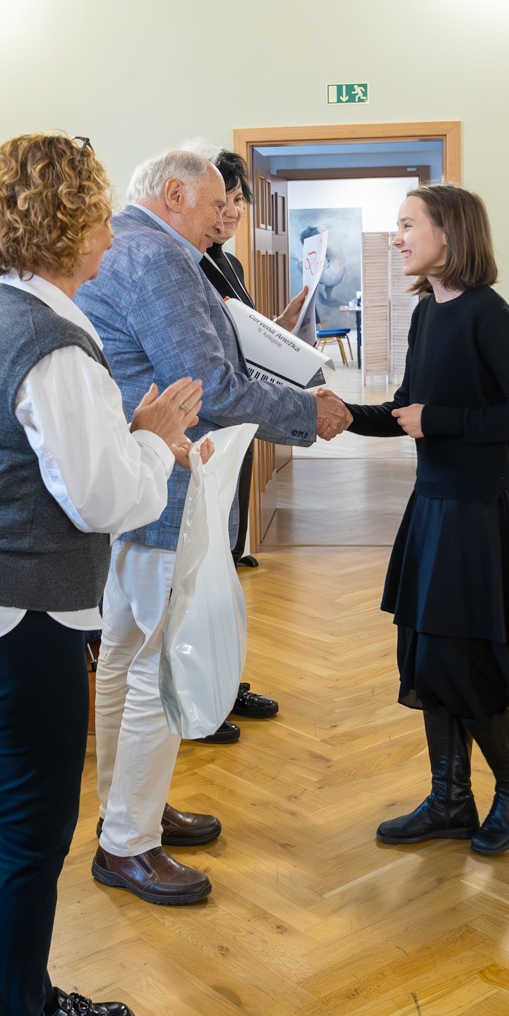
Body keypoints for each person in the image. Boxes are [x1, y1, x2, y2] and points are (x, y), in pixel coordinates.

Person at [0, 132, 208, 1016]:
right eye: (99, 216)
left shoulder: (10, 315)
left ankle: (23, 1004)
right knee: (34, 835)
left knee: (9, 824)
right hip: (10, 619)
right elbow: (103, 498)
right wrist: (156, 438)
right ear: (63, 222)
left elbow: (68, 463)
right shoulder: (53, 345)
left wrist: (133, 432)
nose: (111, 235)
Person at [75, 146, 352, 905]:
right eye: (212, 205)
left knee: (123, 656)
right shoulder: (160, 259)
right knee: (155, 668)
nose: (221, 219)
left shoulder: (126, 247)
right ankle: (128, 844)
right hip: (167, 493)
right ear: (173, 195)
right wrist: (308, 411)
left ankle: (126, 809)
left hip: (134, 491)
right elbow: (211, 388)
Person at [331, 183, 509, 855]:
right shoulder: (427, 313)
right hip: (433, 502)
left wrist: (443, 421)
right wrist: (342, 416)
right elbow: (408, 409)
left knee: (459, 655)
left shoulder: (488, 314)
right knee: (426, 652)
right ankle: (451, 799)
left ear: (450, 233)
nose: (398, 238)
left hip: (477, 510)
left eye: (408, 225)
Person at [198, 147, 308, 572]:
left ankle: (233, 553)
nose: (231, 211)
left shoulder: (232, 263)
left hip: (242, 405)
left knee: (237, 495)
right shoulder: (189, 263)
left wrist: (282, 324)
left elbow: (242, 336)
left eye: (238, 199)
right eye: (220, 201)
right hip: (213, 408)